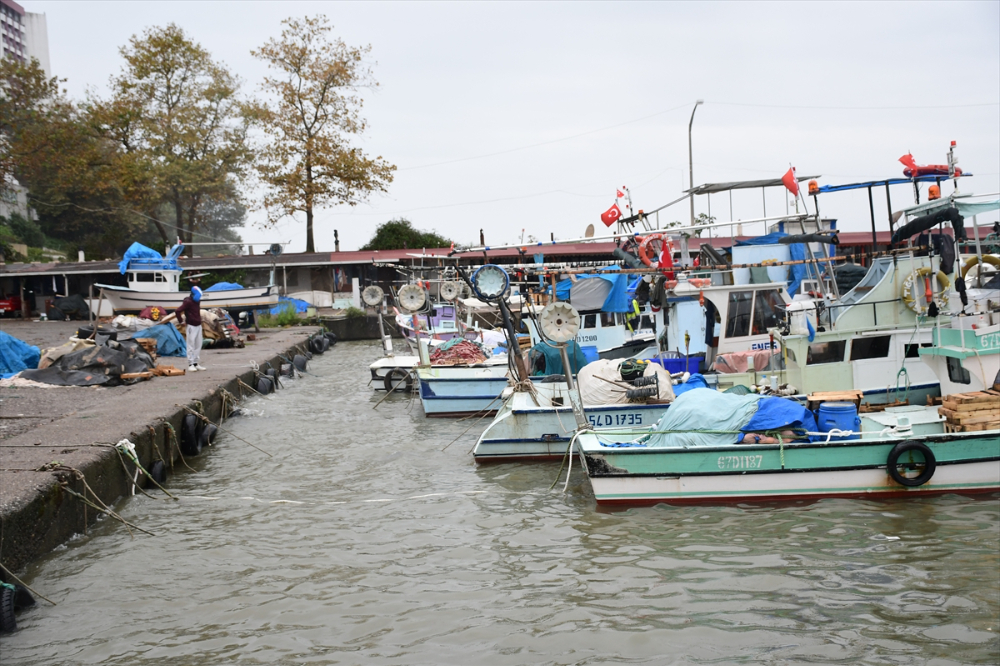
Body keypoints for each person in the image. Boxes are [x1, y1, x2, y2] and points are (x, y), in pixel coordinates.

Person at [175, 287, 206, 372]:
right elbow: (178, 311)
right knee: (190, 345)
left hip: (198, 325)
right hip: (191, 326)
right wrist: (181, 321)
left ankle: (196, 363)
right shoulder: (188, 302)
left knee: (198, 345)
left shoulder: (197, 301)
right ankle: (190, 364)